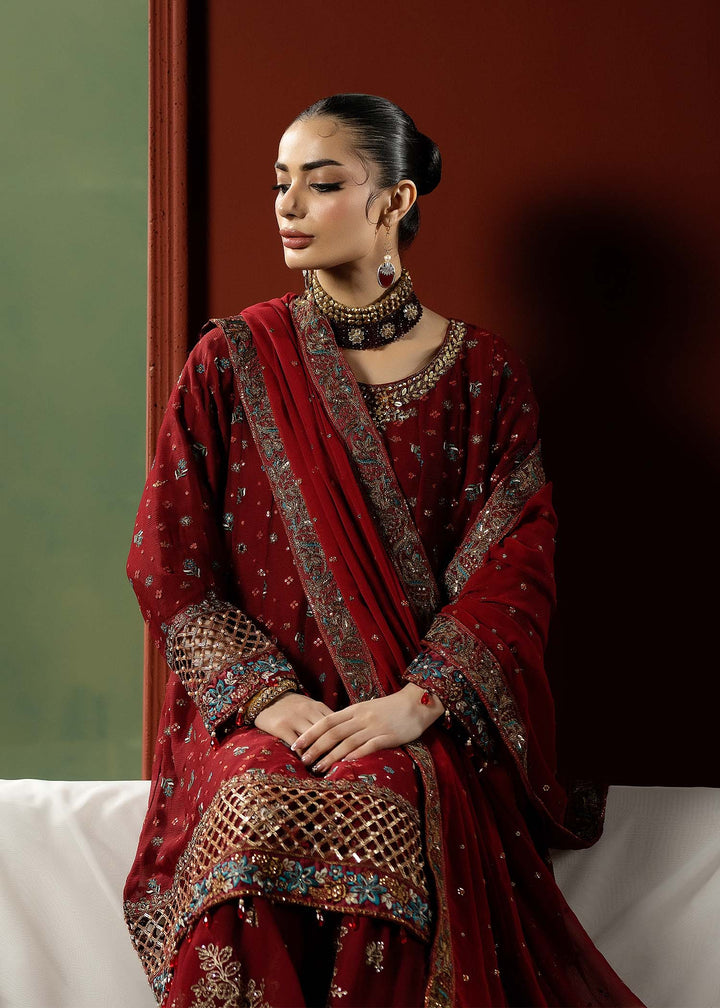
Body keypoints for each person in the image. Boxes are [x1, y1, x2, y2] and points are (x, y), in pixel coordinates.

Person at [124, 94, 644, 1008]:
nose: (287, 205)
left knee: (383, 800)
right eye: (280, 182)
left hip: (415, 718)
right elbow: (171, 562)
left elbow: (512, 570)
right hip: (262, 714)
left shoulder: (484, 375)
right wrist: (265, 697)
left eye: (321, 183)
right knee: (253, 802)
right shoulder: (232, 361)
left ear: (395, 201)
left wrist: (419, 703)